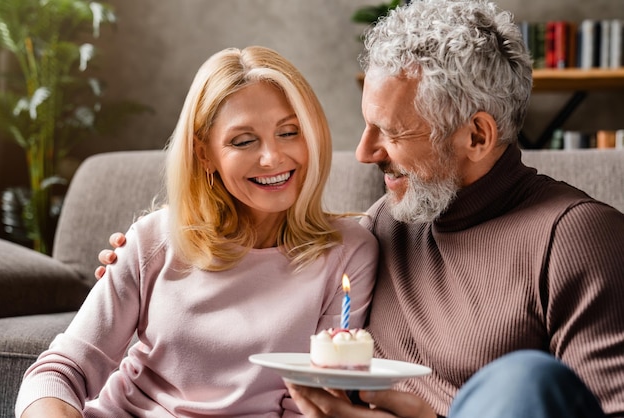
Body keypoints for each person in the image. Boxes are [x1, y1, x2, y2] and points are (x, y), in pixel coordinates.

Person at [95, 1, 624, 417]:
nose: (365, 152)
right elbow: (273, 263)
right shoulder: (382, 230)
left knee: (524, 379)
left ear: (478, 135)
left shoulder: (578, 238)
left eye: (391, 132)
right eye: (367, 125)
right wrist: (150, 260)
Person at [15, 46, 378, 418]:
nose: (273, 157)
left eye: (289, 132)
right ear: (204, 154)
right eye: (243, 140)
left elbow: (311, 406)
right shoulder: (154, 239)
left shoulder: (349, 253)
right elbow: (60, 372)